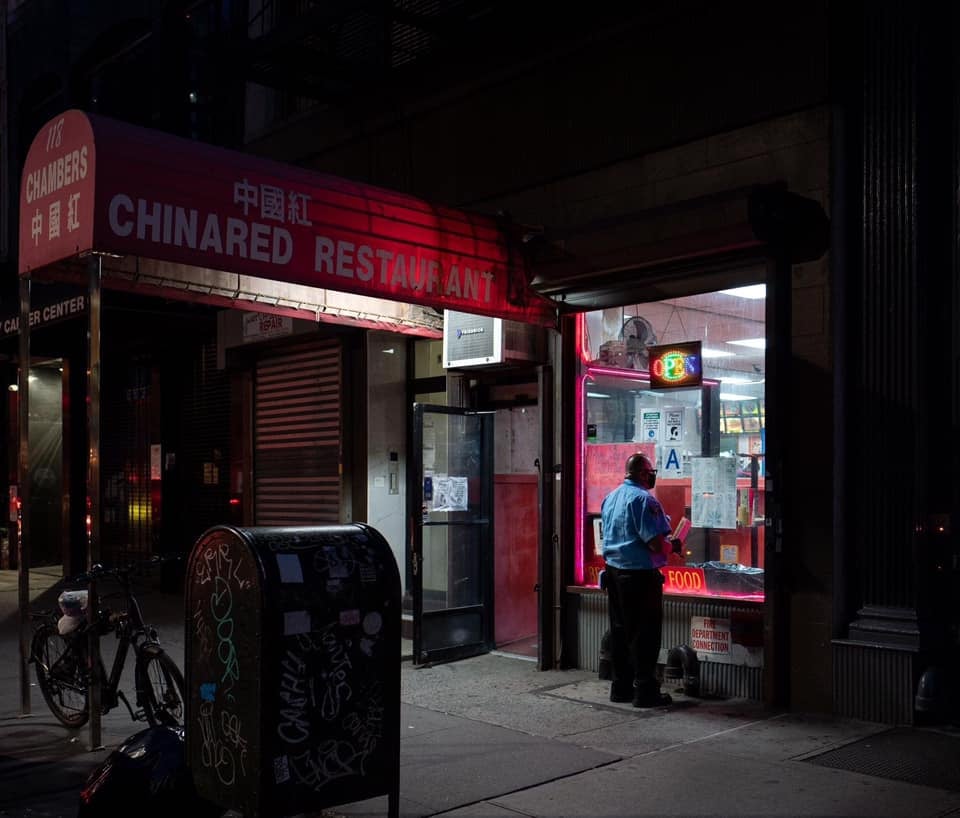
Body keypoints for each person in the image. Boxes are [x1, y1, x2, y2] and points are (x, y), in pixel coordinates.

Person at [600, 452, 681, 707]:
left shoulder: (611, 497)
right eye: (651, 472)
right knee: (644, 635)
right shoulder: (644, 500)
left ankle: (620, 687)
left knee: (621, 632)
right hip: (639, 577)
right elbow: (656, 543)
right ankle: (645, 691)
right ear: (644, 474)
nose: (652, 476)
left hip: (613, 573)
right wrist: (674, 545)